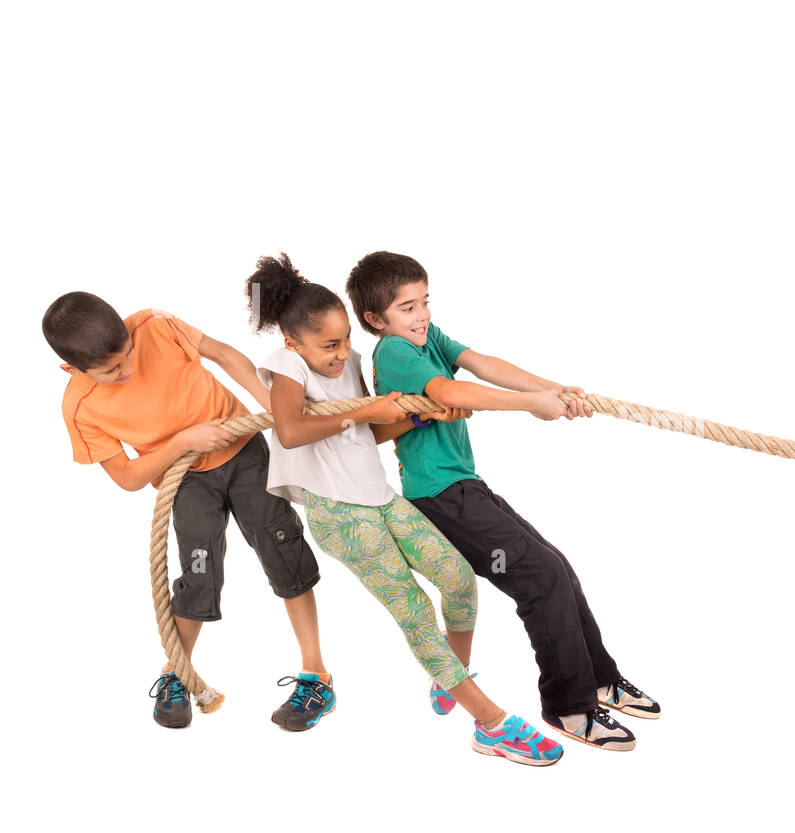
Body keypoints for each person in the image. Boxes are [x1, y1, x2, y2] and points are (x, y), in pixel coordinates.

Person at [250, 253, 562, 766]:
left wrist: (419, 418)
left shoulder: (349, 364)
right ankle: (491, 725)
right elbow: (291, 430)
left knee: (458, 577)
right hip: (341, 515)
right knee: (414, 611)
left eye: (347, 339)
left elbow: (367, 434)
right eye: (329, 345)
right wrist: (369, 408)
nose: (342, 353)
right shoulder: (286, 365)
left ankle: (449, 678)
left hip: (381, 499)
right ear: (293, 342)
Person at [348, 251, 660, 752]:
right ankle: (569, 707)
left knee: (557, 566)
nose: (421, 314)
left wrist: (550, 387)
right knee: (539, 578)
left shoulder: (427, 339)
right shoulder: (393, 352)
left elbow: (482, 364)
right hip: (441, 499)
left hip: (465, 488)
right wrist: (531, 406)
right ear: (376, 319)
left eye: (424, 301)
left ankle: (599, 679)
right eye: (407, 307)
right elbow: (452, 389)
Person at [44, 291, 331, 731]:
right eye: (112, 371)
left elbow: (223, 355)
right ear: (73, 369)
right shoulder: (80, 408)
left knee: (283, 552)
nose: (128, 370)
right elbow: (127, 476)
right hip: (186, 481)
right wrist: (182, 443)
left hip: (245, 454)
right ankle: (178, 672)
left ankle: (317, 677)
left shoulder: (154, 325)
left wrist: (274, 406)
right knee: (198, 577)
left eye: (128, 356)